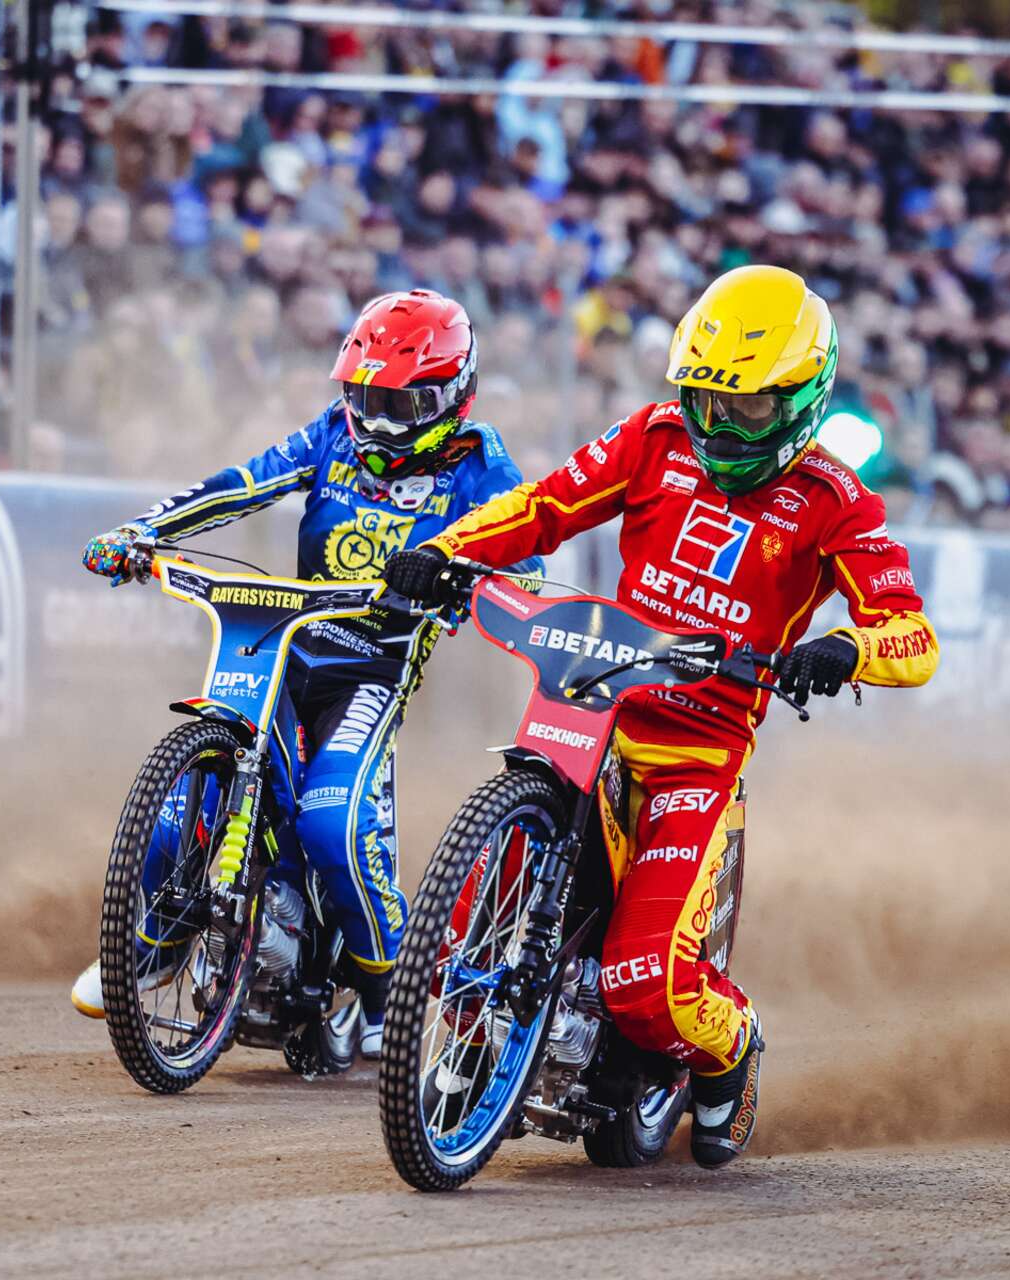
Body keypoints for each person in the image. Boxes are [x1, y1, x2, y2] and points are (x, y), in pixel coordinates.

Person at [384, 265, 940, 1167]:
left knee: (644, 987)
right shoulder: (652, 435)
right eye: (704, 400)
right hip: (594, 705)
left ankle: (734, 1044)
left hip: (700, 757)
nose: (718, 426)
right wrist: (444, 550)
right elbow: (543, 507)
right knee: (473, 895)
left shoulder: (837, 500)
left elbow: (913, 636)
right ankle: (478, 1039)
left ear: (804, 398)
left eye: (747, 409)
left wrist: (847, 649)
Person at [71, 289, 543, 1057]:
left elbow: (527, 558)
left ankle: (387, 994)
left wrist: (463, 583)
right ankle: (150, 947)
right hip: (282, 644)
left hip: (373, 668)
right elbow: (245, 481)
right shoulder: (331, 433)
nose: (377, 421)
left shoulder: (481, 467)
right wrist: (142, 531)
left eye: (400, 403)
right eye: (364, 397)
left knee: (332, 823)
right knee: (187, 798)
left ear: (453, 395)